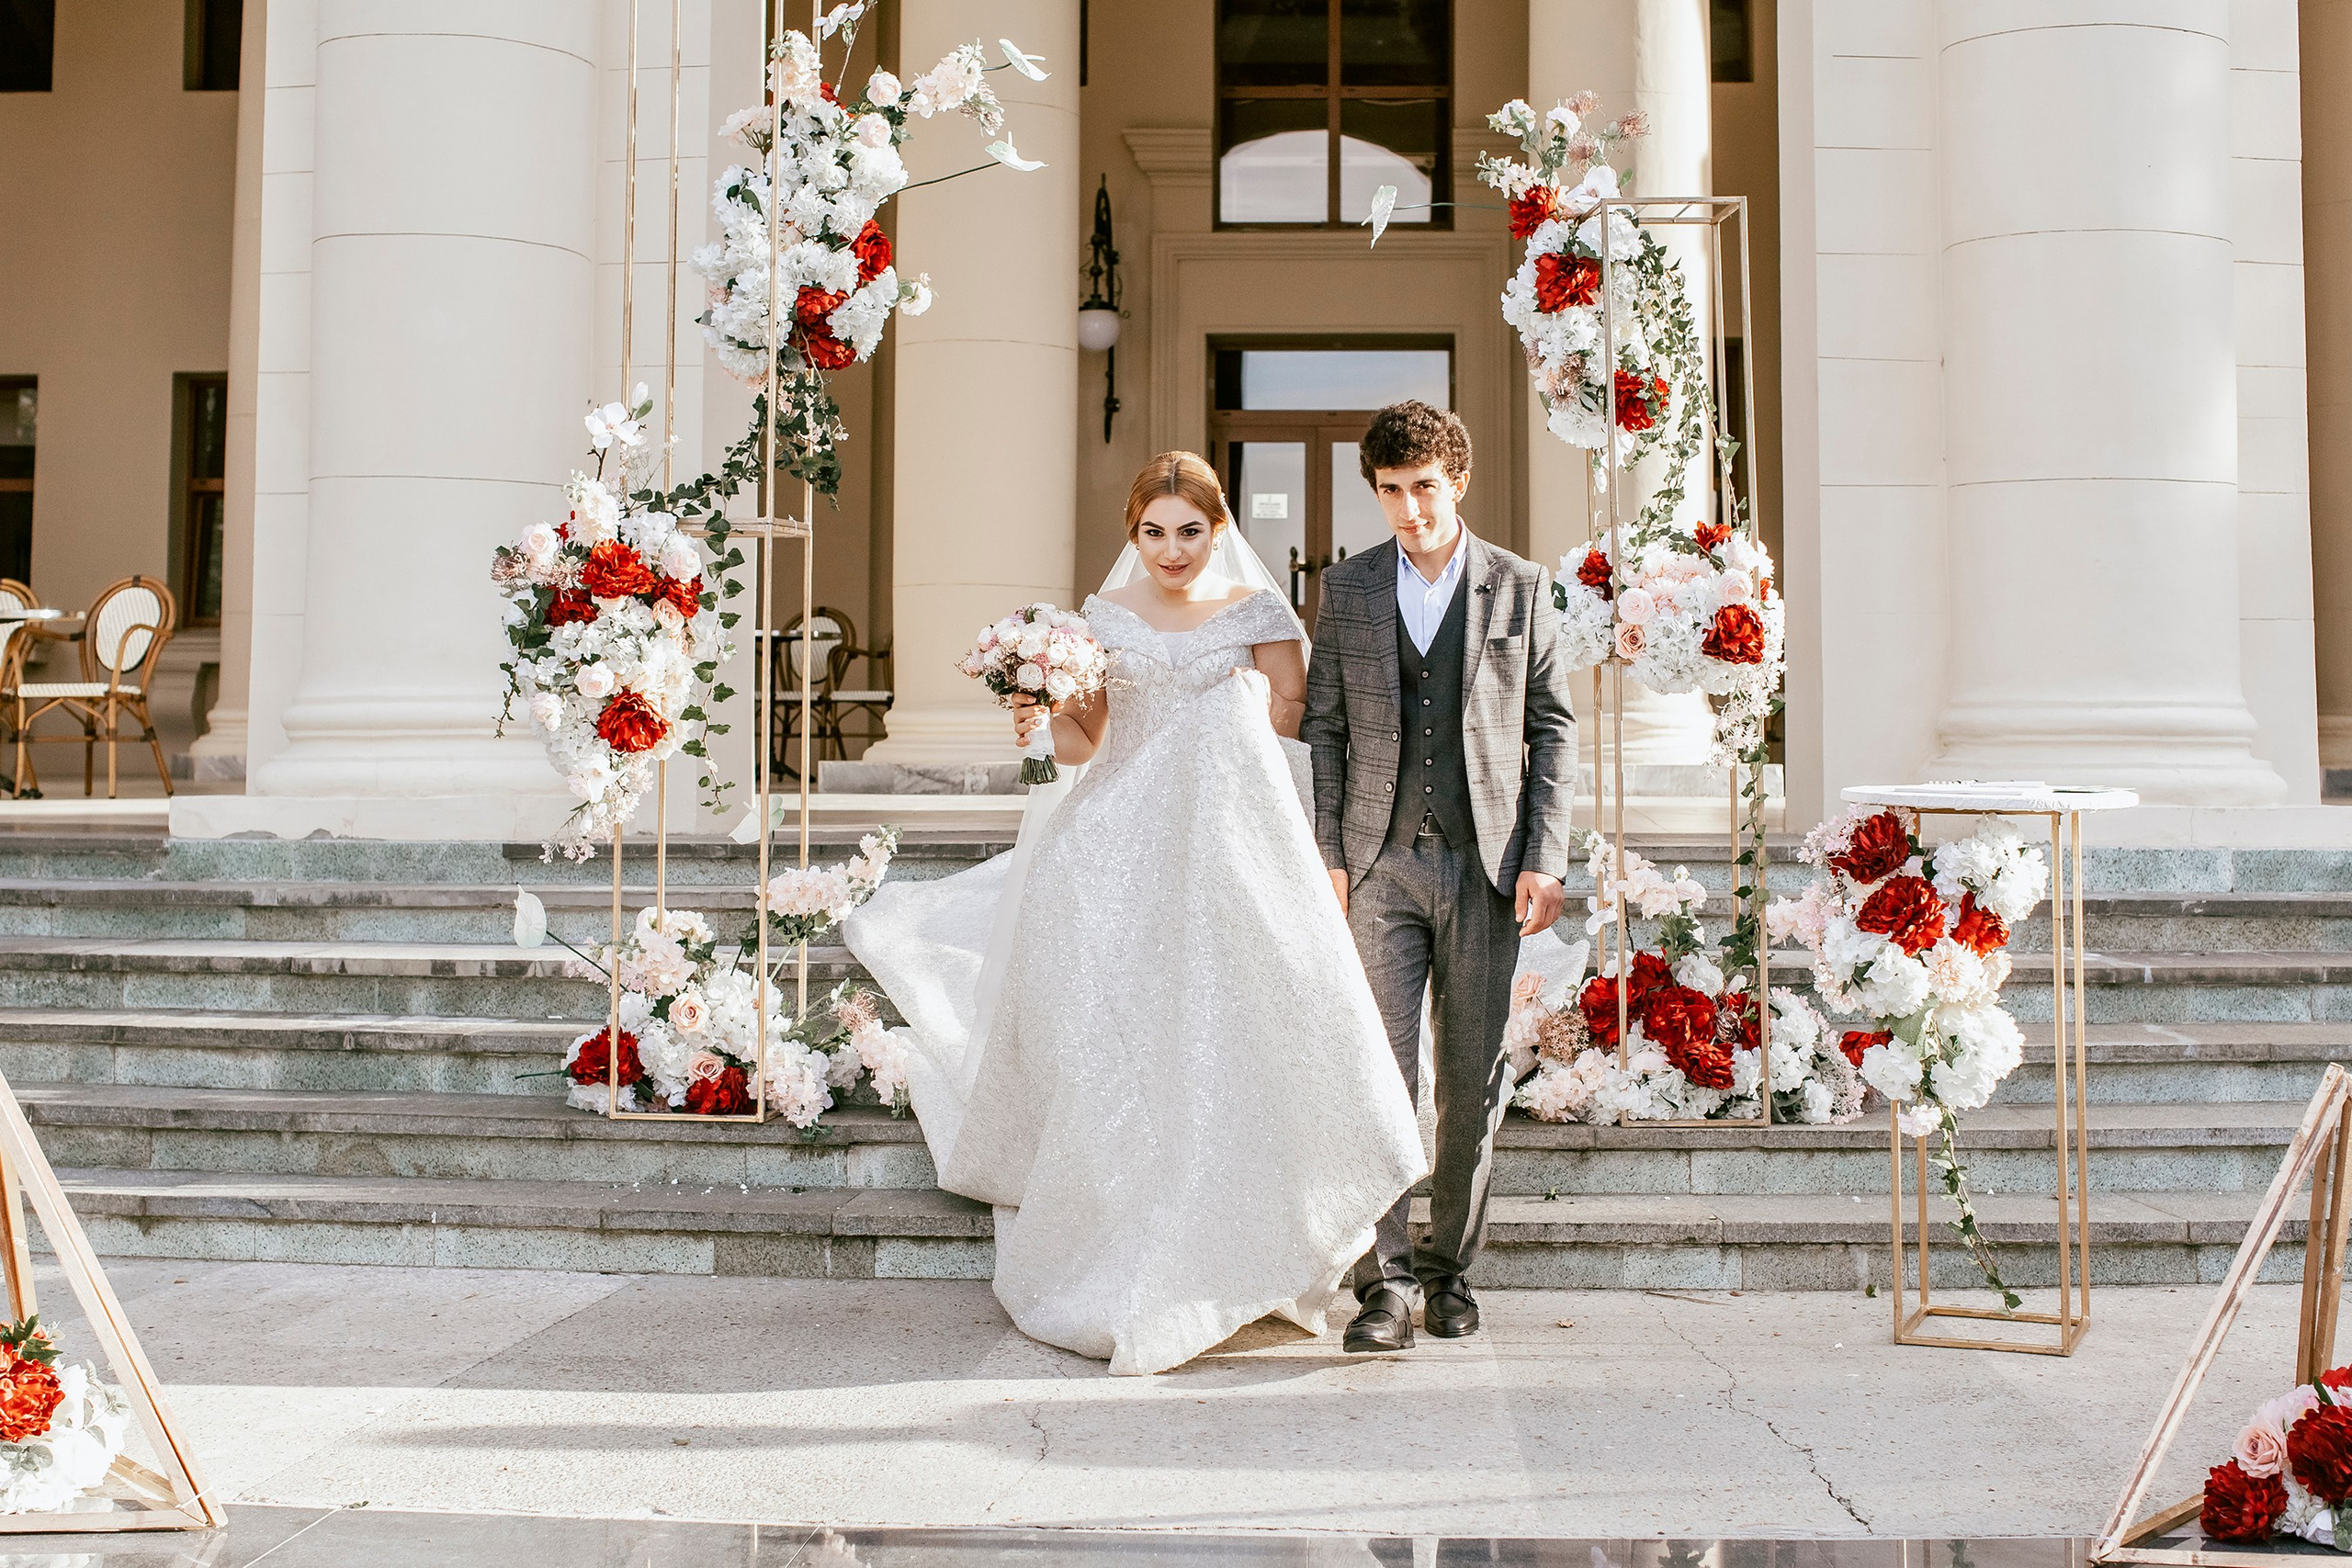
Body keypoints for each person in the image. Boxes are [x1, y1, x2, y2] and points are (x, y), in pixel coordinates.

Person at [843, 450, 1423, 1376]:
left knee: (1220, 1034)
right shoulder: (1102, 621)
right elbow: (1088, 742)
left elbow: (1296, 725)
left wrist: (1233, 716)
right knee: (1123, 1039)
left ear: (1218, 527)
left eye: (1188, 530)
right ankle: (1121, 1229)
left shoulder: (1260, 617)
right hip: (1114, 848)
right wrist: (1036, 718)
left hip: (1225, 848)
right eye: (1153, 532)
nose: (1172, 549)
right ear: (1133, 535)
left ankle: (1239, 1238)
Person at [1302, 400, 1578, 1354]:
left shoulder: (1520, 587)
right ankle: (1378, 1289)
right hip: (1379, 864)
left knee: (1469, 1081)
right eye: (1390, 491)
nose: (1409, 508)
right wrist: (1331, 853)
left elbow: (1551, 728)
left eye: (1424, 486)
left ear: (1456, 480)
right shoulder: (1349, 590)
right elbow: (1325, 728)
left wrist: (1545, 853)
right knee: (1378, 1076)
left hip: (1488, 866)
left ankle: (1448, 1271)